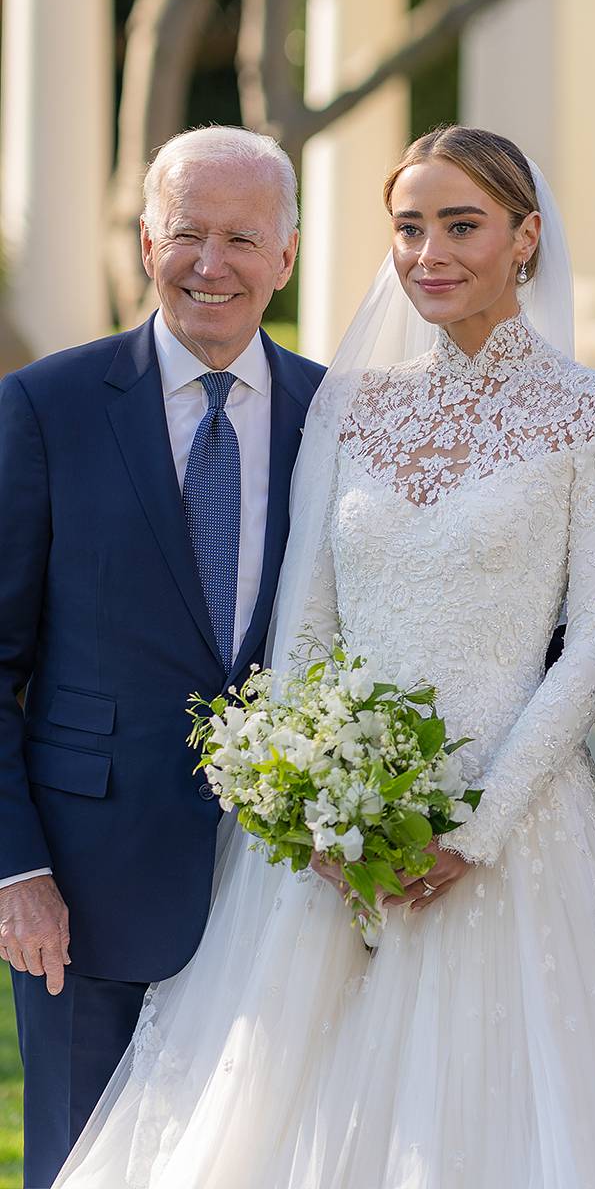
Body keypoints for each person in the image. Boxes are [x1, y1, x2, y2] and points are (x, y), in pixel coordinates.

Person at [52, 125, 595, 1188]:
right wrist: (310, 803)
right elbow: (304, 634)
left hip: (515, 833)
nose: (427, 252)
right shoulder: (349, 406)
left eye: (461, 224)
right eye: (408, 226)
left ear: (525, 237)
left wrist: (477, 824)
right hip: (325, 843)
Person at [0, 126, 324, 1188]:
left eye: (243, 238)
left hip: (290, 891)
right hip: (87, 884)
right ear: (147, 242)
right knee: (84, 1162)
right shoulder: (45, 406)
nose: (211, 264)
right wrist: (18, 869)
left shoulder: (341, 417)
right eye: (187, 233)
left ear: (286, 254)